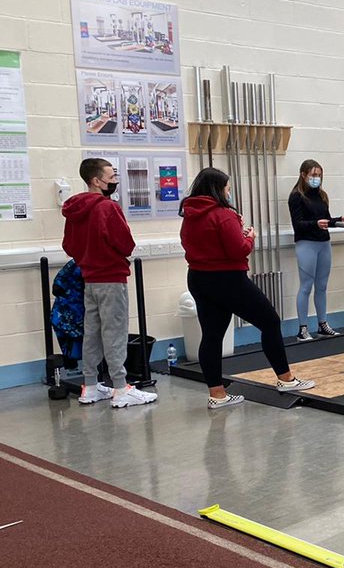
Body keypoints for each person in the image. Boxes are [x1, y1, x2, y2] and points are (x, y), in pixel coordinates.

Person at [181, 167, 315, 409]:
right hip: (228, 279)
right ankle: (285, 379)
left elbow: (195, 244)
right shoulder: (223, 214)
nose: (229, 193)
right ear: (217, 189)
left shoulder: (190, 214)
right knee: (270, 322)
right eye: (228, 189)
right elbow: (238, 249)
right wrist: (249, 236)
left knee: (211, 335)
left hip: (199, 279)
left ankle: (217, 394)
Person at [61, 158, 158, 409]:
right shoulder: (107, 207)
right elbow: (125, 243)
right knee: (114, 332)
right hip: (111, 278)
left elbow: (68, 246)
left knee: (92, 332)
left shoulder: (74, 209)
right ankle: (120, 388)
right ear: (96, 181)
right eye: (111, 176)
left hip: (89, 278)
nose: (115, 181)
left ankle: (90, 386)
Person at [288, 159, 344, 341]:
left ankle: (323, 324)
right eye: (314, 175)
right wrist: (315, 224)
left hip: (323, 243)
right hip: (306, 243)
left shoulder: (322, 196)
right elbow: (297, 224)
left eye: (319, 175)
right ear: (303, 175)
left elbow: (326, 219)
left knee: (321, 286)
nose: (317, 178)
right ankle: (303, 329)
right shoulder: (296, 196)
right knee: (306, 286)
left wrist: (339, 219)